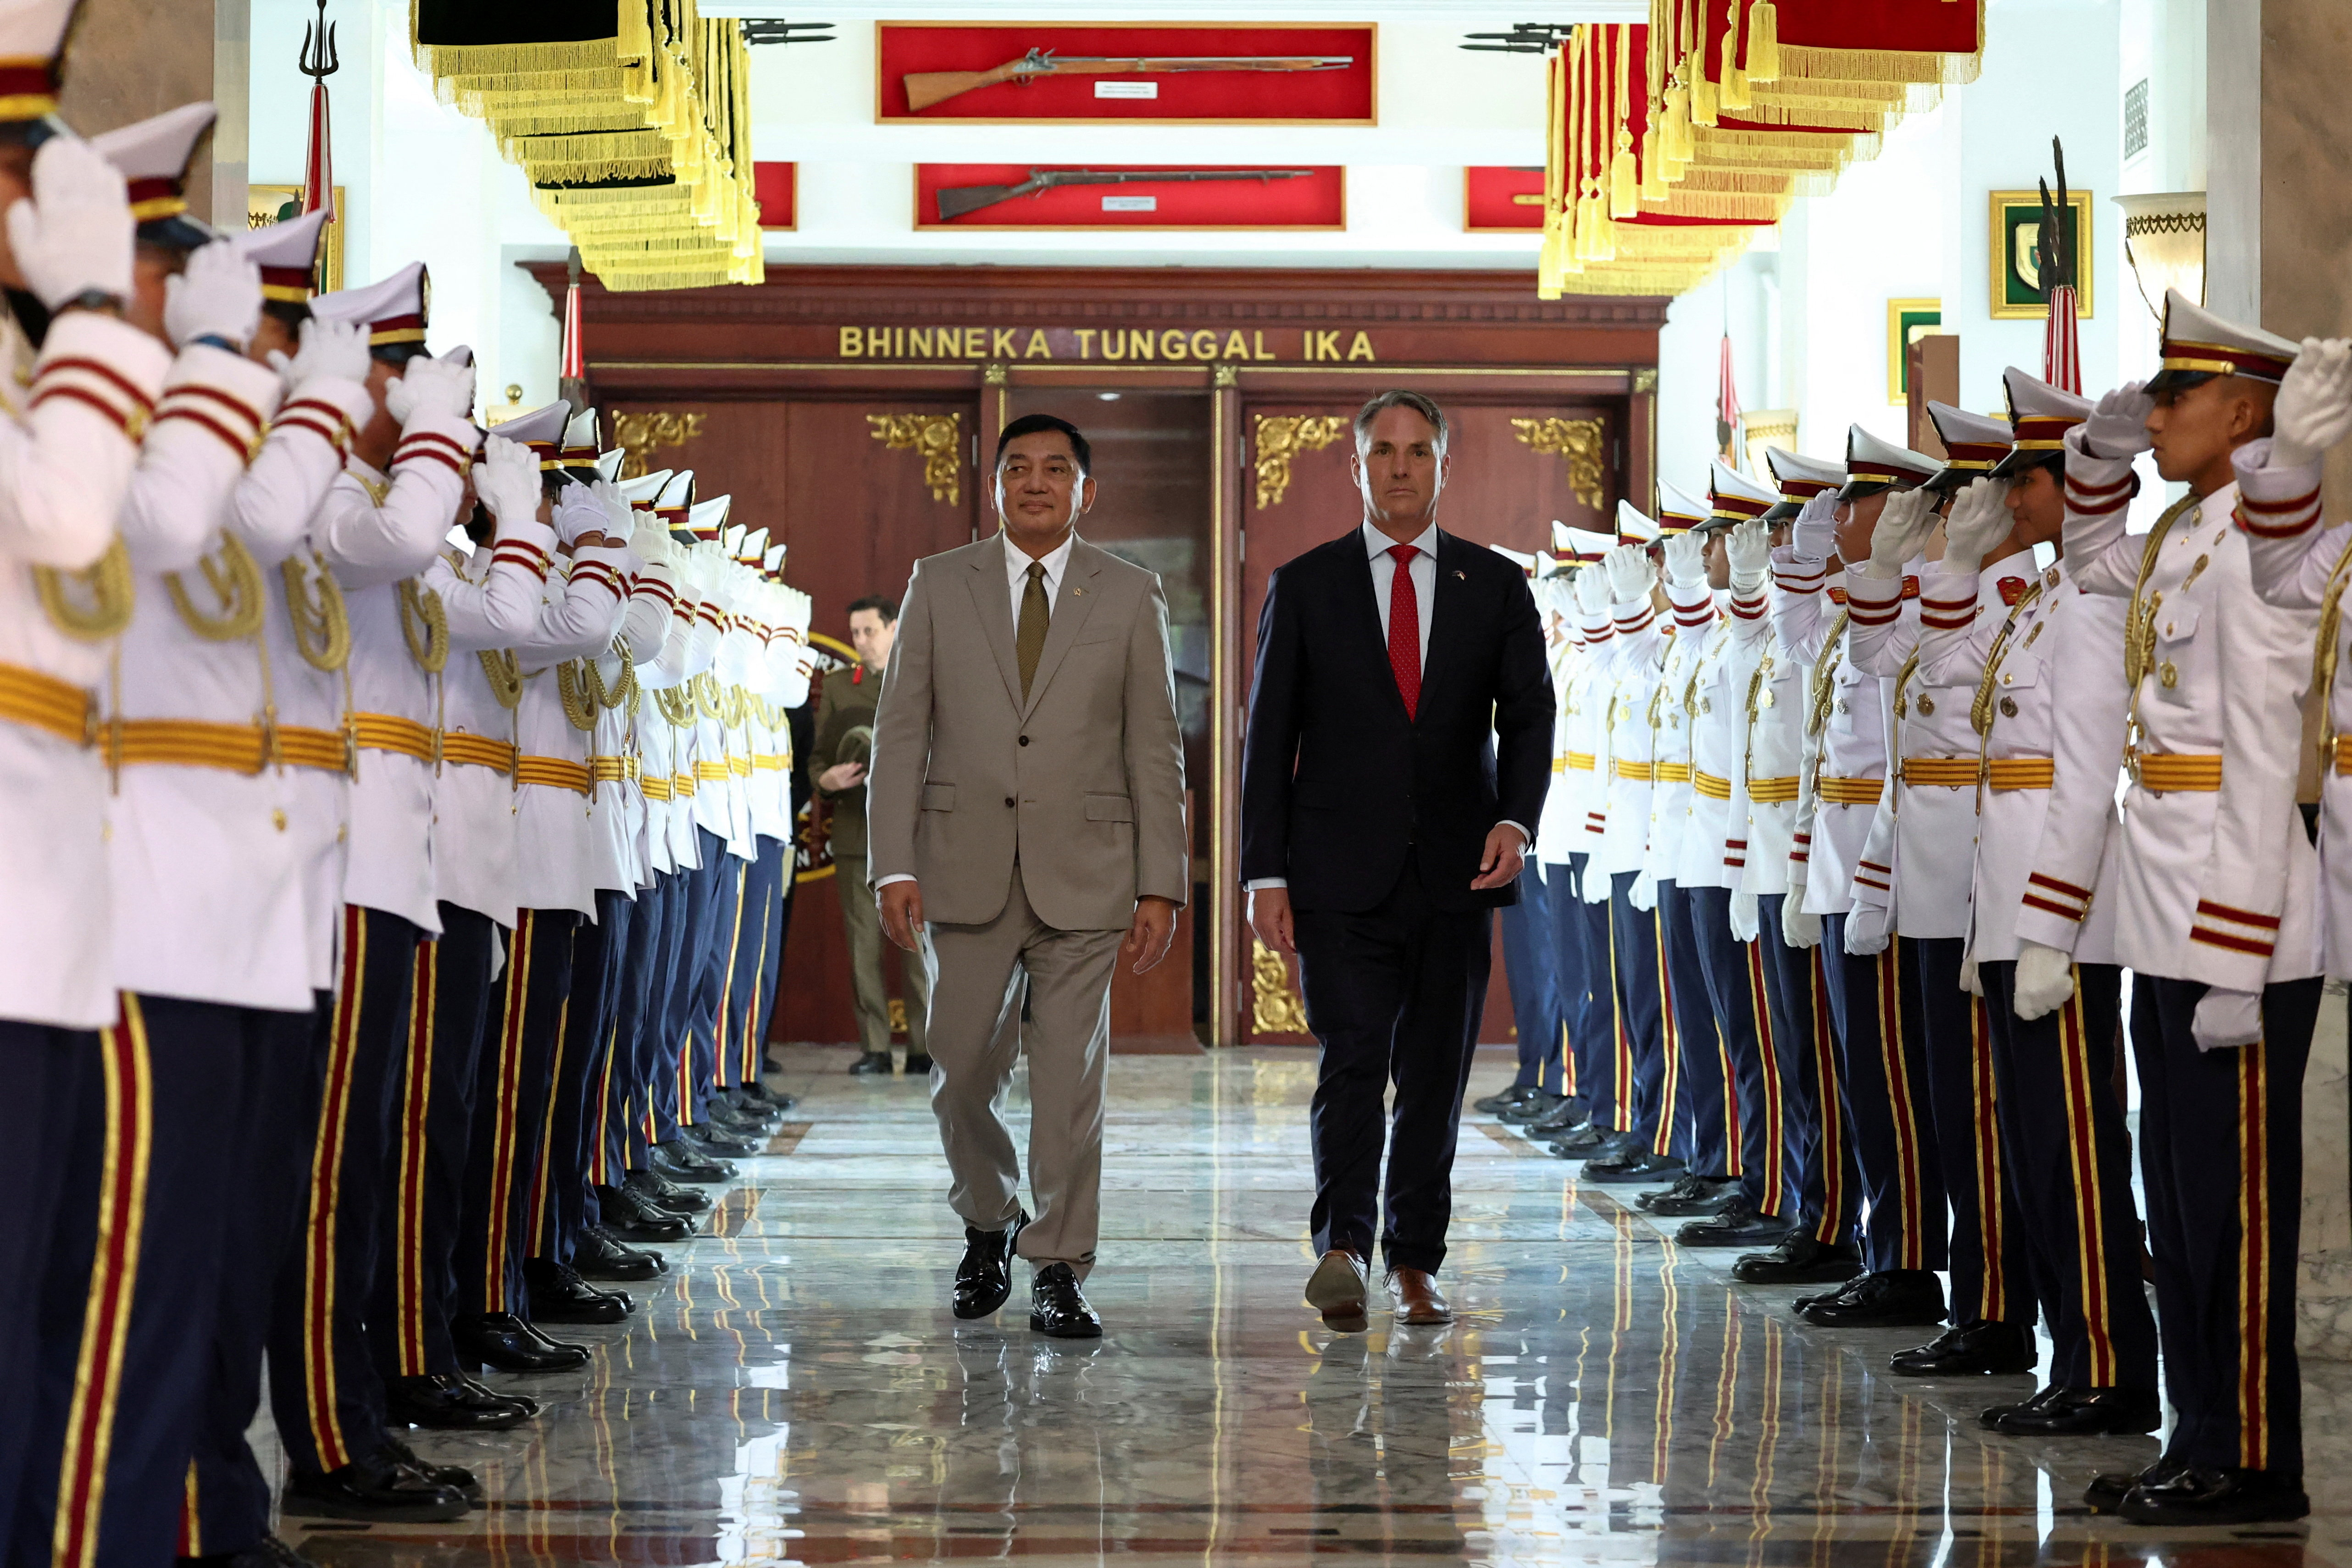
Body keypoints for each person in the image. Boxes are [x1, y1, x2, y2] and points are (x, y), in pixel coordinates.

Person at [2060, 292, 2323, 1526]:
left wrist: (2235, 955)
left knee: (2237, 1208)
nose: (2156, 411)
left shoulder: (2273, 547)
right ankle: (2194, 1430)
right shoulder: (2179, 536)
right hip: (2163, 892)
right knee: (2177, 1188)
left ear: (2248, 409)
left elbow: (2269, 755)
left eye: (2178, 396)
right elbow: (2082, 567)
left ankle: (2257, 1456)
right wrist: (2095, 461)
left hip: (2244, 913)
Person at [868, 410, 1187, 1340]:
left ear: (1086, 491)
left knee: (1068, 1081)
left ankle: (1057, 1261)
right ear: (997, 484)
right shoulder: (938, 583)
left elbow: (1153, 746)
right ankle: (988, 1213)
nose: (1035, 483)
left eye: (1056, 469)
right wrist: (892, 860)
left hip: (1087, 874)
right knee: (960, 1067)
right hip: (959, 868)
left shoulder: (1128, 593)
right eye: (1018, 469)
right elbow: (899, 732)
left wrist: (1159, 882)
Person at [1242, 389, 1553, 1331]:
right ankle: (1343, 1245)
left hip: (1457, 874)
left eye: (1419, 451)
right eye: (1383, 452)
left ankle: (1415, 1257)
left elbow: (1529, 714)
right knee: (1351, 1059)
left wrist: (1516, 819)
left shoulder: (1492, 585)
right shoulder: (1306, 584)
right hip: (1337, 875)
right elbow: (1268, 739)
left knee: (1432, 1075)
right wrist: (1265, 872)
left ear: (1443, 466)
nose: (1402, 467)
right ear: (1356, 467)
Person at [811, 593, 936, 1076]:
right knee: (863, 944)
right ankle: (876, 1047)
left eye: (869, 631)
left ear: (894, 627)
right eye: (855, 633)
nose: (861, 641)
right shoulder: (842, 686)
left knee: (919, 942)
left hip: (915, 832)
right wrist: (826, 780)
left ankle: (925, 1046)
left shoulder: (924, 677)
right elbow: (818, 759)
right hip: (854, 831)